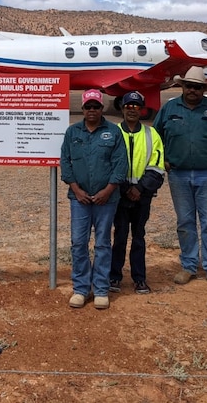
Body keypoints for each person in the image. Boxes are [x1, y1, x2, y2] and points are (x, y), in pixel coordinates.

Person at [153, 66, 207, 291]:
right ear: (182, 86)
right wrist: (163, 161)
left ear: (203, 90)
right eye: (189, 86)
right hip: (178, 174)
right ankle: (189, 266)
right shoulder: (170, 108)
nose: (193, 90)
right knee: (185, 221)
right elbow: (155, 137)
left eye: (198, 87)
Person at [60, 89, 127, 310]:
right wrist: (76, 189)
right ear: (83, 109)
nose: (91, 110)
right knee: (78, 243)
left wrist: (108, 191)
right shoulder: (72, 132)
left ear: (102, 108)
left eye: (96, 107)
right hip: (79, 199)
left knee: (102, 244)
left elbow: (120, 164)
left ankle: (100, 289)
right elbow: (66, 162)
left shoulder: (113, 132)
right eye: (88, 106)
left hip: (106, 200)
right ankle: (80, 288)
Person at [110, 91, 165, 295]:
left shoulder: (152, 135)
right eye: (128, 106)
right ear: (122, 108)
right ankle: (114, 276)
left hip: (143, 196)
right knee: (120, 236)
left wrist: (140, 188)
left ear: (142, 109)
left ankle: (140, 278)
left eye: (136, 106)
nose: (132, 109)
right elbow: (110, 164)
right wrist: (125, 189)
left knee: (139, 236)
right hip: (120, 195)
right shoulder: (114, 133)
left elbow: (157, 166)